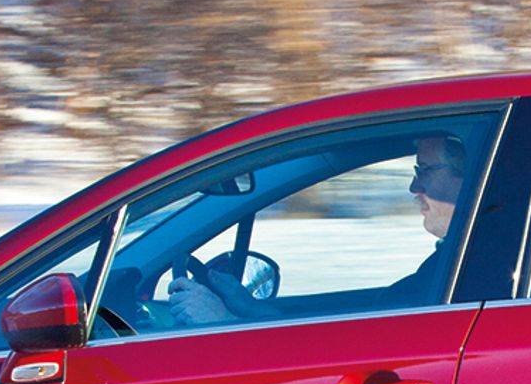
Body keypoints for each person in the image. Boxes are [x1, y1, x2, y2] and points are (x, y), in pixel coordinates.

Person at [166, 132, 468, 326]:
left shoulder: (474, 270)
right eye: (417, 172)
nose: (413, 186)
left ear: (469, 176)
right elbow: (355, 333)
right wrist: (252, 311)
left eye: (425, 170)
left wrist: (222, 323)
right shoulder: (453, 263)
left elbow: (363, 359)